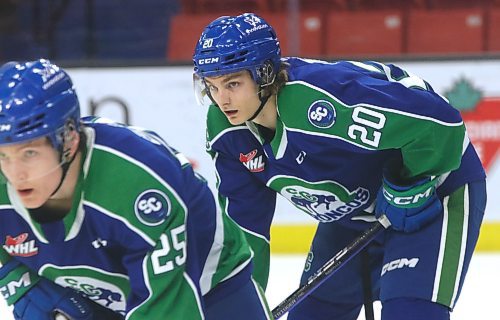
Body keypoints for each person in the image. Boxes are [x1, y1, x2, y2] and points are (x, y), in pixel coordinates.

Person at [192, 12, 487, 320]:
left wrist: (409, 180)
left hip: (435, 192)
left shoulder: (319, 102)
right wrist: (239, 307)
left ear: (265, 73)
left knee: (409, 312)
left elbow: (440, 124)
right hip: (351, 215)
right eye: (212, 87)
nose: (222, 100)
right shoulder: (227, 131)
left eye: (233, 83)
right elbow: (245, 228)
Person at [0, 59, 273, 320]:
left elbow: (167, 309)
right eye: (3, 155)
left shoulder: (139, 185)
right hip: (100, 294)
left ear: (68, 139)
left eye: (30, 153)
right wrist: (20, 281)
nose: (14, 173)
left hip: (209, 284)